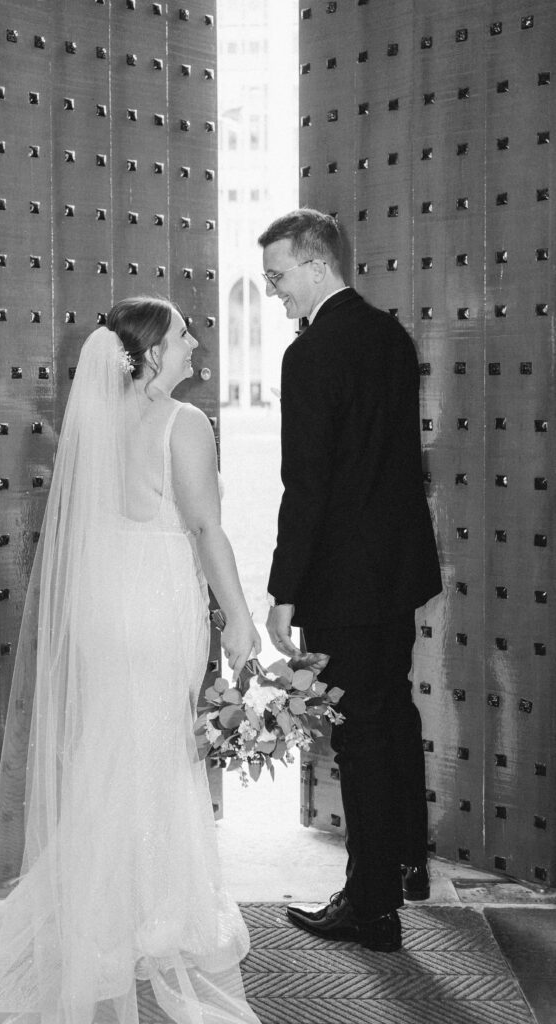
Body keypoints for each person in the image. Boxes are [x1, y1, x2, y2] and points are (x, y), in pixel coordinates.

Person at [0, 297, 262, 1024]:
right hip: (156, 607)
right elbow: (203, 526)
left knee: (114, 749)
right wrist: (238, 616)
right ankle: (154, 910)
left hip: (105, 610)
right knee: (155, 752)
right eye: (182, 335)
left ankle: (107, 903)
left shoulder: (99, 424)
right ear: (152, 354)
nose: (195, 341)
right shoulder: (183, 422)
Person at [259, 209, 442, 953]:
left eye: (278, 276)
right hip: (396, 571)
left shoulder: (310, 357)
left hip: (343, 582)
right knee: (392, 713)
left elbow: (308, 485)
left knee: (362, 737)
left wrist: (283, 591)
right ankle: (405, 864)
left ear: (315, 264)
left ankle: (370, 911)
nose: (274, 292)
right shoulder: (391, 337)